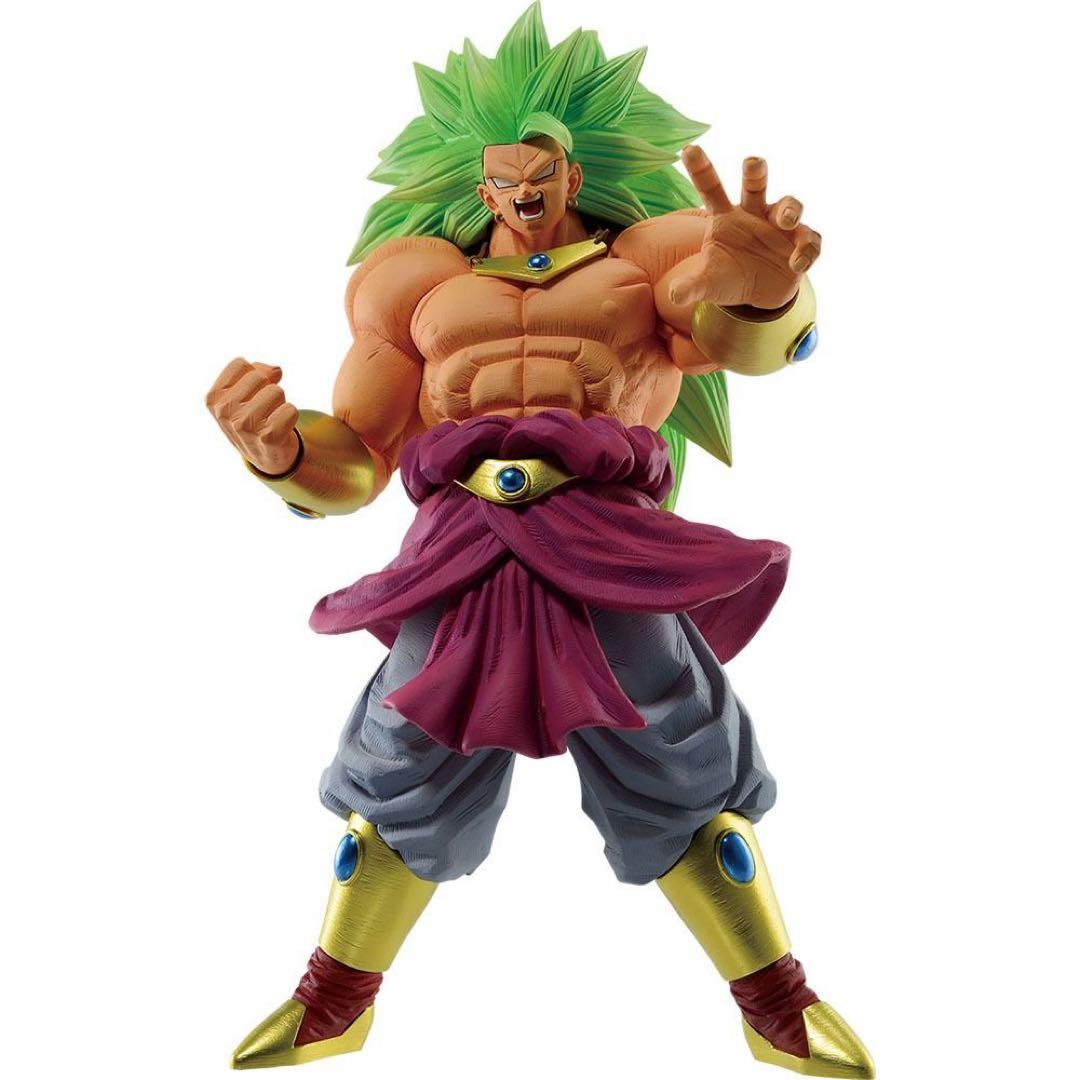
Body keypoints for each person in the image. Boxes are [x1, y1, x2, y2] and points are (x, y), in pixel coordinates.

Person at [207, 6, 871, 1075]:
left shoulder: (642, 262)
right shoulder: (416, 288)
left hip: (604, 541)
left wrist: (765, 290)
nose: (524, 190)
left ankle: (775, 1003)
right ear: (478, 188)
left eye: (543, 171)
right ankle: (335, 1000)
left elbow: (724, 327)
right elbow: (357, 460)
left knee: (683, 761)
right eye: (504, 176)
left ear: (575, 175)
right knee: (399, 761)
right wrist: (280, 451)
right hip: (461, 546)